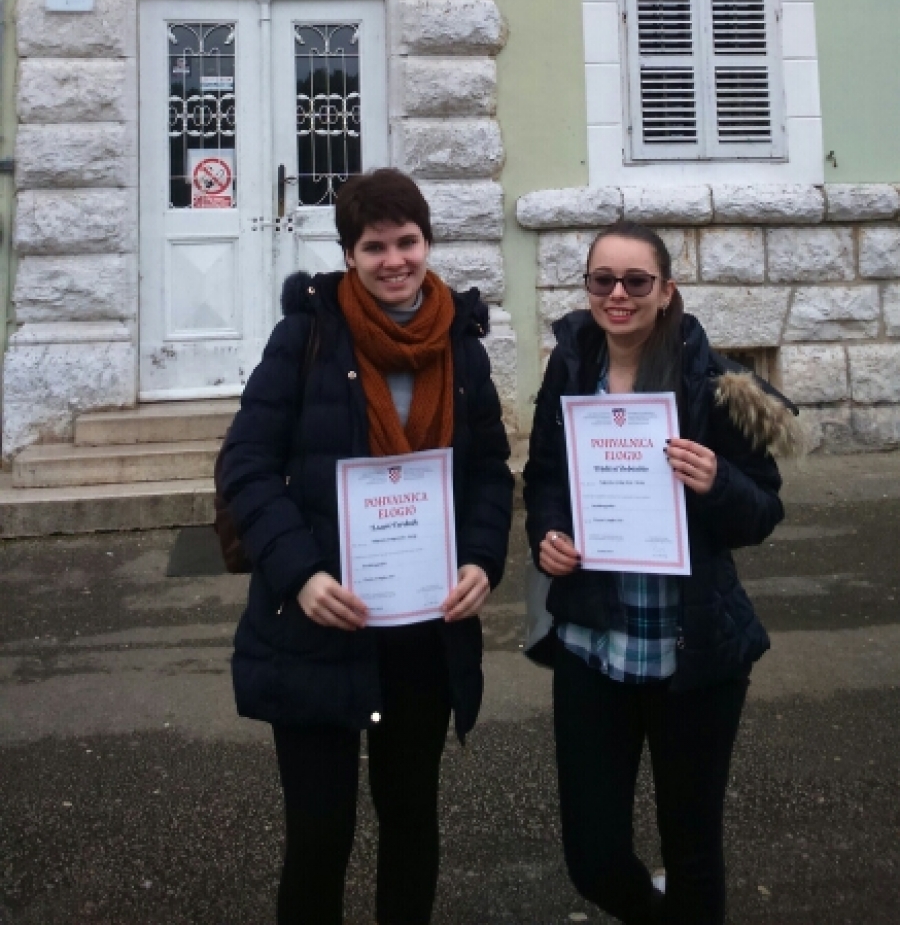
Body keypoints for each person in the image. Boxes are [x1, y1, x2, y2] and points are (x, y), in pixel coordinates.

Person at [218, 168, 513, 925]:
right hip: (319, 625)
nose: (394, 261)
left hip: (422, 628)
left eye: (407, 242)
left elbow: (486, 471)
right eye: (374, 246)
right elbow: (245, 463)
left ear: (427, 242)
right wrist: (300, 574)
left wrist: (482, 560)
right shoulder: (307, 337)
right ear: (349, 254)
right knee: (320, 834)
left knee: (411, 822)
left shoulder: (462, 344)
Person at [523, 219, 797, 925]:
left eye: (636, 281)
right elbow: (547, 477)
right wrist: (548, 534)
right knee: (592, 855)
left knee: (693, 847)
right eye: (602, 280)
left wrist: (716, 482)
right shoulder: (570, 367)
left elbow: (763, 510)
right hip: (594, 643)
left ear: (666, 290)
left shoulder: (716, 384)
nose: (618, 294)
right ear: (587, 290)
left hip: (693, 651)